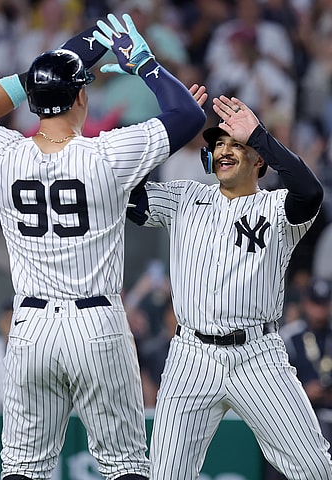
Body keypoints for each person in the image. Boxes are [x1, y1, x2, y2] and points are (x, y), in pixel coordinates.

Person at [0, 12, 206, 480]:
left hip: (29, 328)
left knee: (22, 469)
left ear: (33, 100)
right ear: (81, 97)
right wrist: (146, 65)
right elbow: (189, 116)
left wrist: (40, 76)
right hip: (97, 324)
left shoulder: (3, 153)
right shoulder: (108, 153)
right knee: (125, 465)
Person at [126, 94, 332, 479]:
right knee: (167, 475)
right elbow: (124, 188)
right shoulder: (185, 197)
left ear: (259, 162)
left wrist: (258, 134)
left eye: (236, 145)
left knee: (315, 468)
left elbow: (311, 193)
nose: (223, 150)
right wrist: (175, 121)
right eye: (218, 144)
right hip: (192, 356)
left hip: (258, 356)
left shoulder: (277, 209)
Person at [281, 277, 332, 454]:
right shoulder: (290, 335)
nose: (319, 312)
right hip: (300, 415)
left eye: (324, 305)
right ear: (304, 303)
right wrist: (302, 391)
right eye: (314, 304)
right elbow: (277, 378)